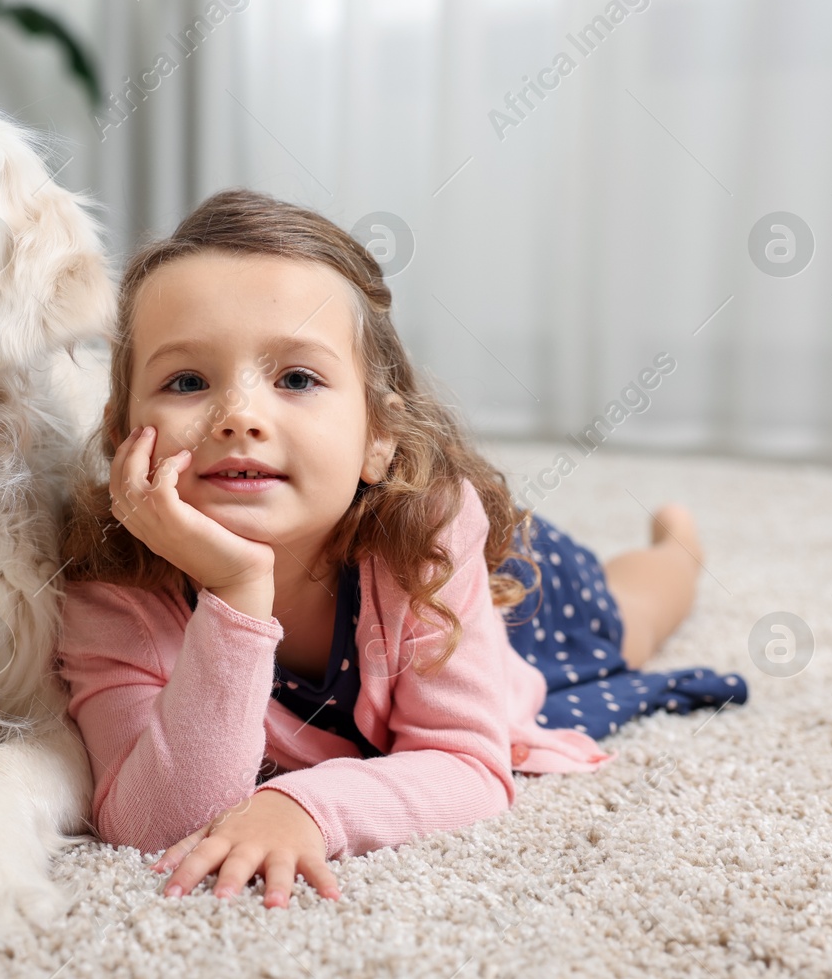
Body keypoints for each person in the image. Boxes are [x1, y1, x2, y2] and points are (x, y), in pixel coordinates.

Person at [56, 189, 747, 910]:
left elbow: (466, 764)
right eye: (188, 381)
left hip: (503, 597)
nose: (239, 417)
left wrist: (306, 807)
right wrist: (235, 590)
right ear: (119, 433)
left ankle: (680, 546)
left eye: (296, 378)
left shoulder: (429, 535)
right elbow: (155, 822)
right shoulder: (108, 583)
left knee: (629, 619)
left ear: (377, 436)